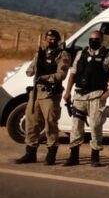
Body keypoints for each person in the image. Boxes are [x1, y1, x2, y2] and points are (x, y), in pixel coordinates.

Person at [62, 29, 109, 167]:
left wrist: (108, 92)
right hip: (80, 95)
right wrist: (68, 91)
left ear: (101, 40)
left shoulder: (108, 55)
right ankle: (73, 156)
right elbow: (73, 73)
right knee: (76, 126)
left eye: (96, 39)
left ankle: (95, 157)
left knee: (95, 125)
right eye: (91, 39)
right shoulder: (81, 54)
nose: (93, 41)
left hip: (96, 95)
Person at [14, 29, 71, 165]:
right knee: (31, 123)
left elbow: (61, 75)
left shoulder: (62, 55)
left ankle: (51, 154)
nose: (50, 41)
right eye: (48, 39)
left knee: (50, 124)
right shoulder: (40, 53)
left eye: (53, 39)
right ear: (45, 39)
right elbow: (31, 69)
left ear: (58, 40)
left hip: (50, 94)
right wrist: (31, 70)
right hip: (36, 93)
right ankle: (30, 153)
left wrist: (45, 77)